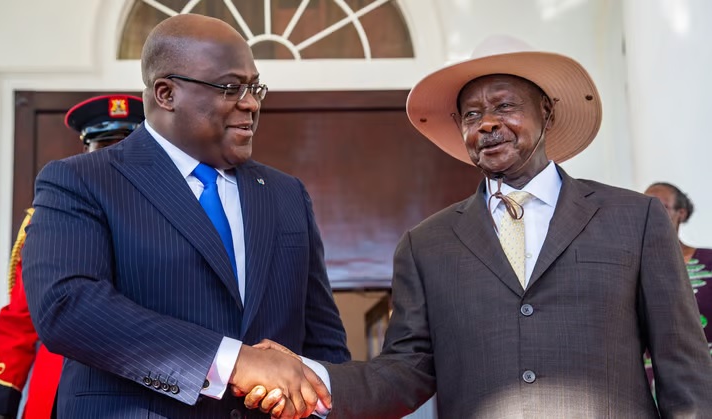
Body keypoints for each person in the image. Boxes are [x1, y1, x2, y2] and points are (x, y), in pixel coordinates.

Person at [248, 35, 712, 418]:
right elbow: (405, 371)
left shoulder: (635, 218)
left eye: (505, 106)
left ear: (547, 112)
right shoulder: (425, 245)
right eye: (472, 114)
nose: (487, 124)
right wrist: (312, 377)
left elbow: (683, 367)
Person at [21, 14, 349, 419]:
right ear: (166, 93)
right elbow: (68, 307)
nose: (250, 103)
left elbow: (324, 342)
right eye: (230, 87)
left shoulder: (287, 194)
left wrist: (319, 403)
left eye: (254, 87)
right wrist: (234, 361)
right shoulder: (82, 180)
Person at [0, 94, 145, 419]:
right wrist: (0, 407)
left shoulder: (174, 214)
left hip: (147, 388)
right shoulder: (51, 218)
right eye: (104, 148)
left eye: (125, 148)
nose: (114, 160)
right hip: (59, 389)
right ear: (86, 152)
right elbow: (21, 319)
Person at [643, 182, 712, 394]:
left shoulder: (709, 260)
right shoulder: (633, 267)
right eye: (644, 207)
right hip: (652, 386)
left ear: (681, 213)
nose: (650, 213)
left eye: (661, 207)